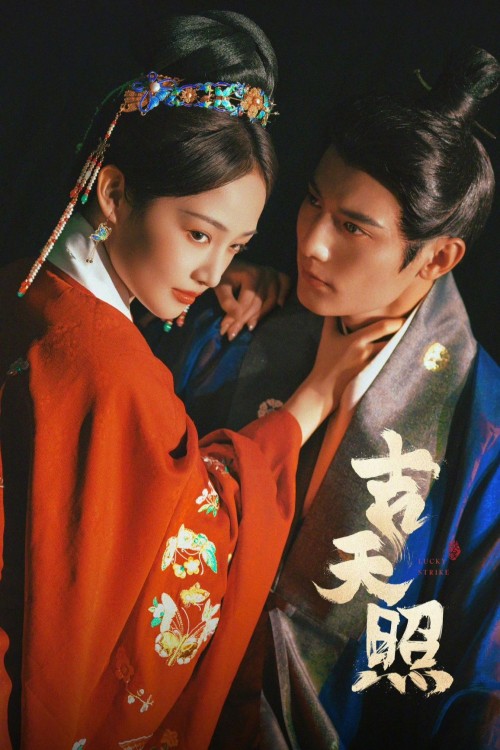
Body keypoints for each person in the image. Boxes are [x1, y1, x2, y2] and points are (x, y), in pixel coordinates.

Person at [0, 12, 401, 750]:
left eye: (235, 245)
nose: (213, 272)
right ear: (113, 194)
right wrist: (311, 401)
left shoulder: (26, 291)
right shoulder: (115, 377)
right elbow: (194, 543)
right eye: (197, 234)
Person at [150, 46, 500, 748]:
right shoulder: (233, 326)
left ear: (437, 256)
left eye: (353, 227)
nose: (310, 242)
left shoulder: (482, 431)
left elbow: (480, 689)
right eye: (314, 201)